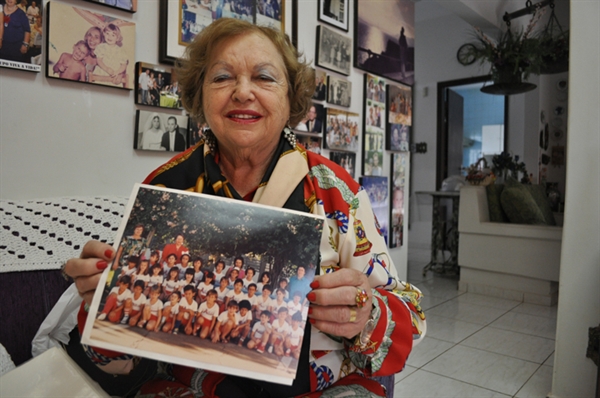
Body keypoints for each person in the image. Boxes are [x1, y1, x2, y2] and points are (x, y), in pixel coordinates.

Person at [64, 18, 425, 397]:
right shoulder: (165, 189)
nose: (242, 92)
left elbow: (410, 322)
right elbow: (118, 364)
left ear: (291, 99)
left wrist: (366, 314)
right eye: (222, 78)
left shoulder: (334, 192)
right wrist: (101, 303)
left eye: (265, 77)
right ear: (200, 95)